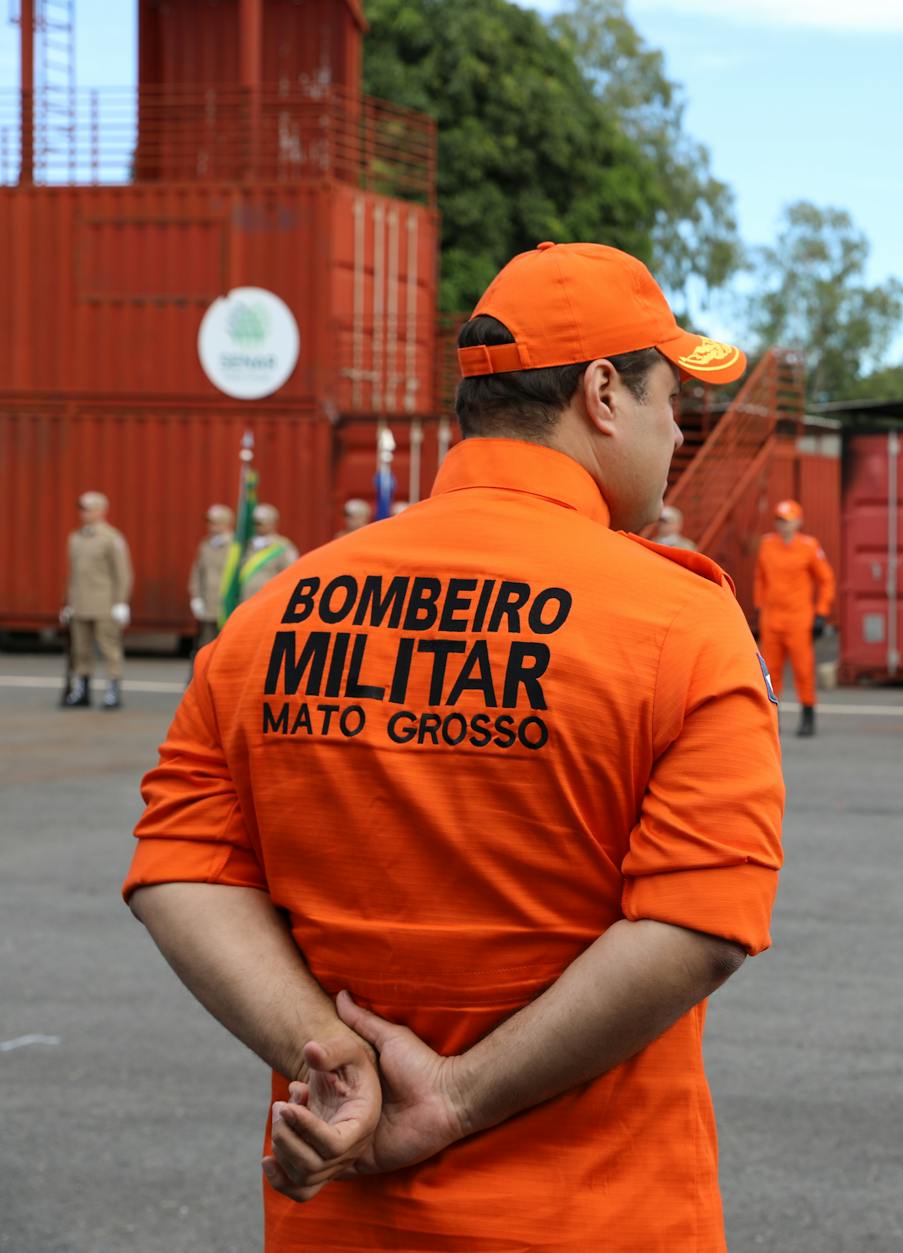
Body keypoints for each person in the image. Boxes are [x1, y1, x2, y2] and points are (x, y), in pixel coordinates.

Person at [122, 240, 783, 1250]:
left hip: (341, 1216)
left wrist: (334, 1056)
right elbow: (696, 927)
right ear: (603, 395)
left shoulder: (269, 617)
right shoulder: (682, 625)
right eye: (669, 399)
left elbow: (178, 867)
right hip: (601, 1215)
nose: (677, 430)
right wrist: (457, 1097)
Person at [754, 499, 835, 738]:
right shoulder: (767, 545)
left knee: (803, 671)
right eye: (780, 521)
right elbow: (760, 578)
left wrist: (821, 612)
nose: (783, 526)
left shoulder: (809, 547)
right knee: (770, 673)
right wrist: (759, 609)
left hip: (799, 619)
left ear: (798, 522)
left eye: (788, 521)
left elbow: (826, 580)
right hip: (771, 619)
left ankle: (808, 716)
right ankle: (771, 719)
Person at [60, 490, 133, 710]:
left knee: (109, 648)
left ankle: (112, 690)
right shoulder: (75, 538)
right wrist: (67, 603)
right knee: (80, 650)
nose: (84, 513)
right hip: (80, 603)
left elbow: (122, 572)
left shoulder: (112, 538)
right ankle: (82, 689)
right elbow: (73, 575)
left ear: (101, 511)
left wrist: (121, 602)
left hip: (104, 603)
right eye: (81, 508)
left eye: (88, 508)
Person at [188, 504, 234, 671]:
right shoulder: (206, 544)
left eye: (215, 522)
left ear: (226, 523)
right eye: (209, 522)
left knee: (227, 647)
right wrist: (196, 596)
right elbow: (197, 571)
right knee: (204, 646)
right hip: (208, 602)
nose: (211, 526)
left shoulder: (236, 546)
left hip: (227, 606)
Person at [236, 504, 301, 605]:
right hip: (246, 600)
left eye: (260, 523)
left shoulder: (282, 546)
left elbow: (291, 574)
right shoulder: (246, 545)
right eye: (255, 523)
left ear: (272, 523)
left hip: (269, 600)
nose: (257, 526)